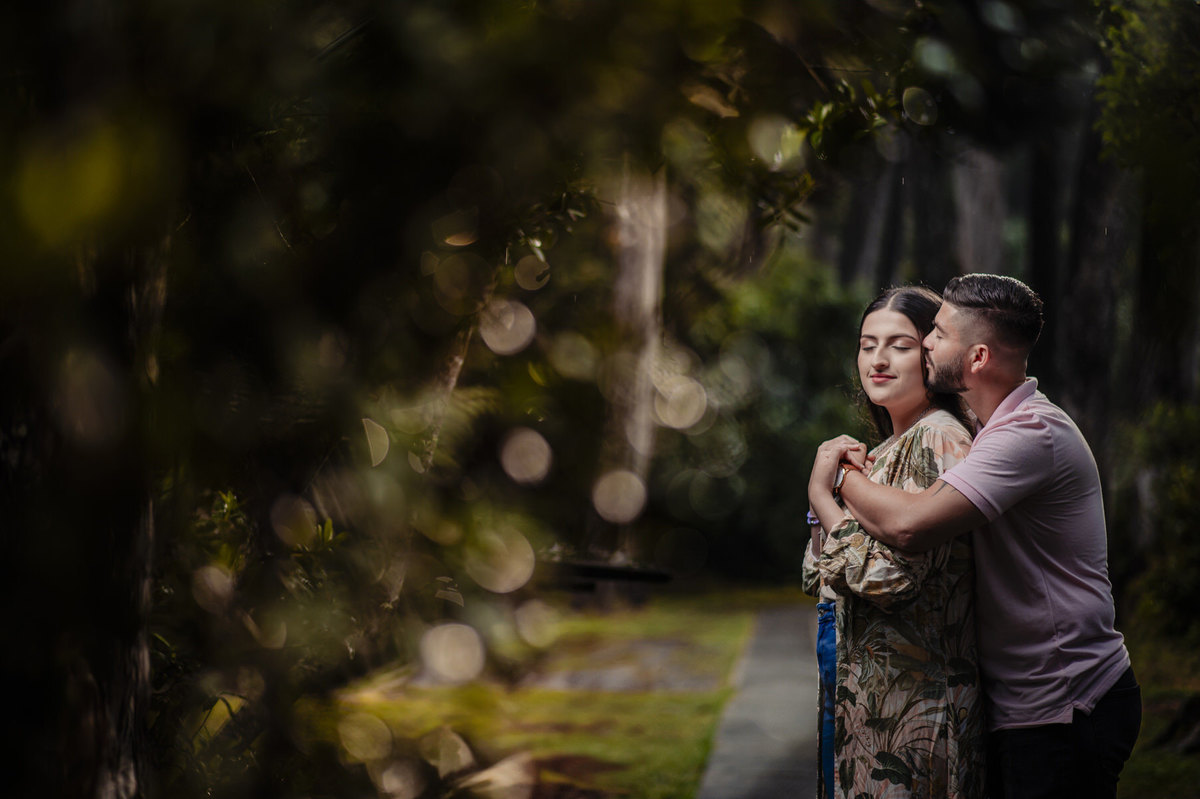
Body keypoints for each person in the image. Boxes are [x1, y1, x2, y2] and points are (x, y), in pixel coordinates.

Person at [811, 273, 1140, 799]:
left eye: (936, 334)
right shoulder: (991, 434)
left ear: (979, 357)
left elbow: (908, 526)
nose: (926, 344)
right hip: (1024, 702)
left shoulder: (1028, 435)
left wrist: (834, 479)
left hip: (1067, 699)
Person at [802, 285, 986, 799]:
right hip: (868, 711)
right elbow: (818, 575)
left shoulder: (940, 438)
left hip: (918, 719)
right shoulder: (880, 453)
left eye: (899, 345)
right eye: (867, 344)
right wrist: (829, 503)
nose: (878, 360)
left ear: (931, 353)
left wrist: (824, 491)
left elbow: (890, 579)